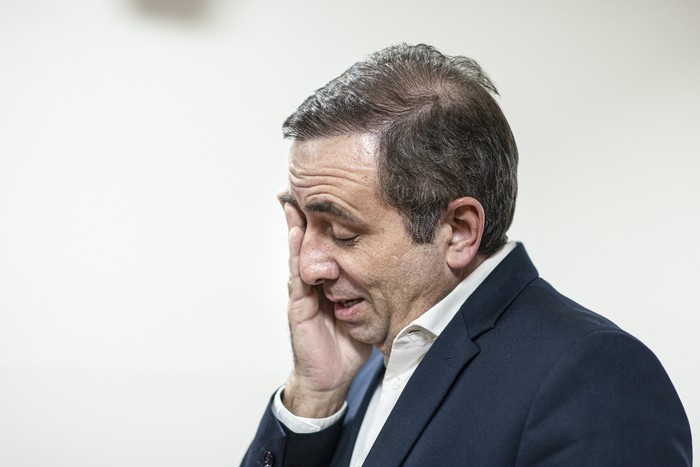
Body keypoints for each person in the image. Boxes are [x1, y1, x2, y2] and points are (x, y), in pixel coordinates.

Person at [242, 43, 692, 466]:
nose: (308, 267)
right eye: (304, 224)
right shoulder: (363, 360)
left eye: (341, 232)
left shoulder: (596, 378)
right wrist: (315, 395)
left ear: (458, 231)